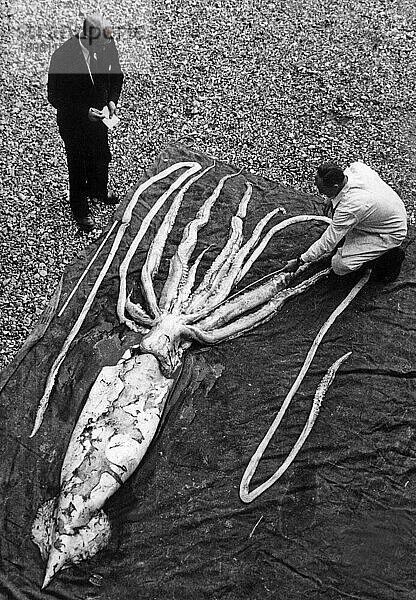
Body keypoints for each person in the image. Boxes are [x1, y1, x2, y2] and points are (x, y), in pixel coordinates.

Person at [48, 12, 124, 233]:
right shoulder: (62, 56)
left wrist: (111, 100)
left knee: (101, 154)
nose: (106, 48)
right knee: (78, 164)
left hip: (100, 115)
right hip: (74, 122)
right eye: (101, 45)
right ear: (88, 37)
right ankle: (80, 208)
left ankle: (98, 190)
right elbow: (54, 96)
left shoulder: (105, 43)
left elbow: (116, 74)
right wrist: (84, 113)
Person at [286, 161, 408, 282]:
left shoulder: (351, 206)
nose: (320, 193)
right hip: (385, 213)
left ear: (335, 187)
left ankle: (387, 257)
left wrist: (300, 261)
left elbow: (328, 241)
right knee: (335, 214)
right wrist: (330, 197)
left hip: (389, 232)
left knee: (339, 265)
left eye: (323, 190)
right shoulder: (356, 168)